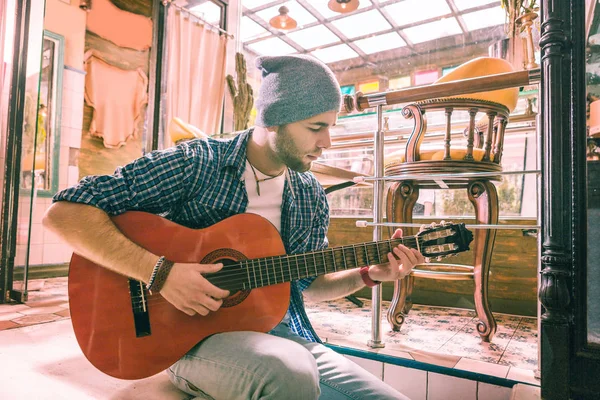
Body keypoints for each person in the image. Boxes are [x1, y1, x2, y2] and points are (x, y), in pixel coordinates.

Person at [43, 54, 424, 400]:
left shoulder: (309, 195)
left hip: (281, 336)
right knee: (290, 374)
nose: (326, 142)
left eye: (330, 127)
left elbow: (309, 286)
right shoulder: (197, 163)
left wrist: (369, 274)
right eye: (315, 127)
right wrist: (160, 274)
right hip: (182, 339)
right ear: (275, 117)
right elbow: (63, 213)